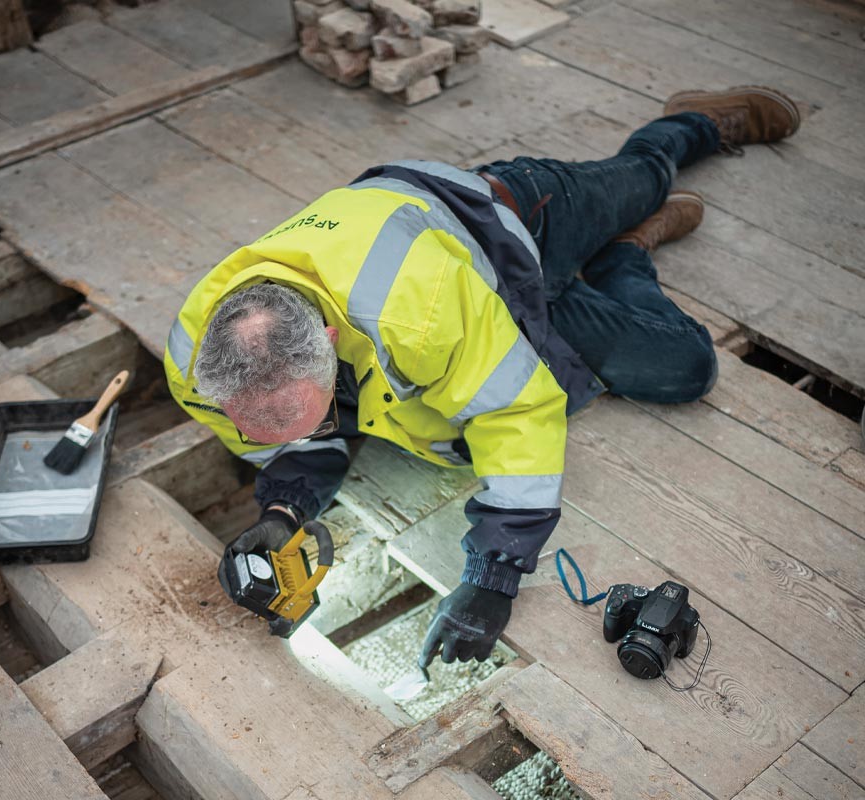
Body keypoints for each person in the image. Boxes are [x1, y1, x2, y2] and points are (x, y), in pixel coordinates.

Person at [164, 86, 800, 664]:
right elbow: (290, 438)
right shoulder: (198, 364)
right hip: (499, 314)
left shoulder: (417, 310)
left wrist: (493, 578)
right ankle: (627, 258)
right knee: (687, 365)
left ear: (328, 345)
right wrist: (282, 509)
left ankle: (692, 126)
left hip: (516, 220)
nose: (322, 430)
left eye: (322, 411)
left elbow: (516, 411)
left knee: (647, 178)